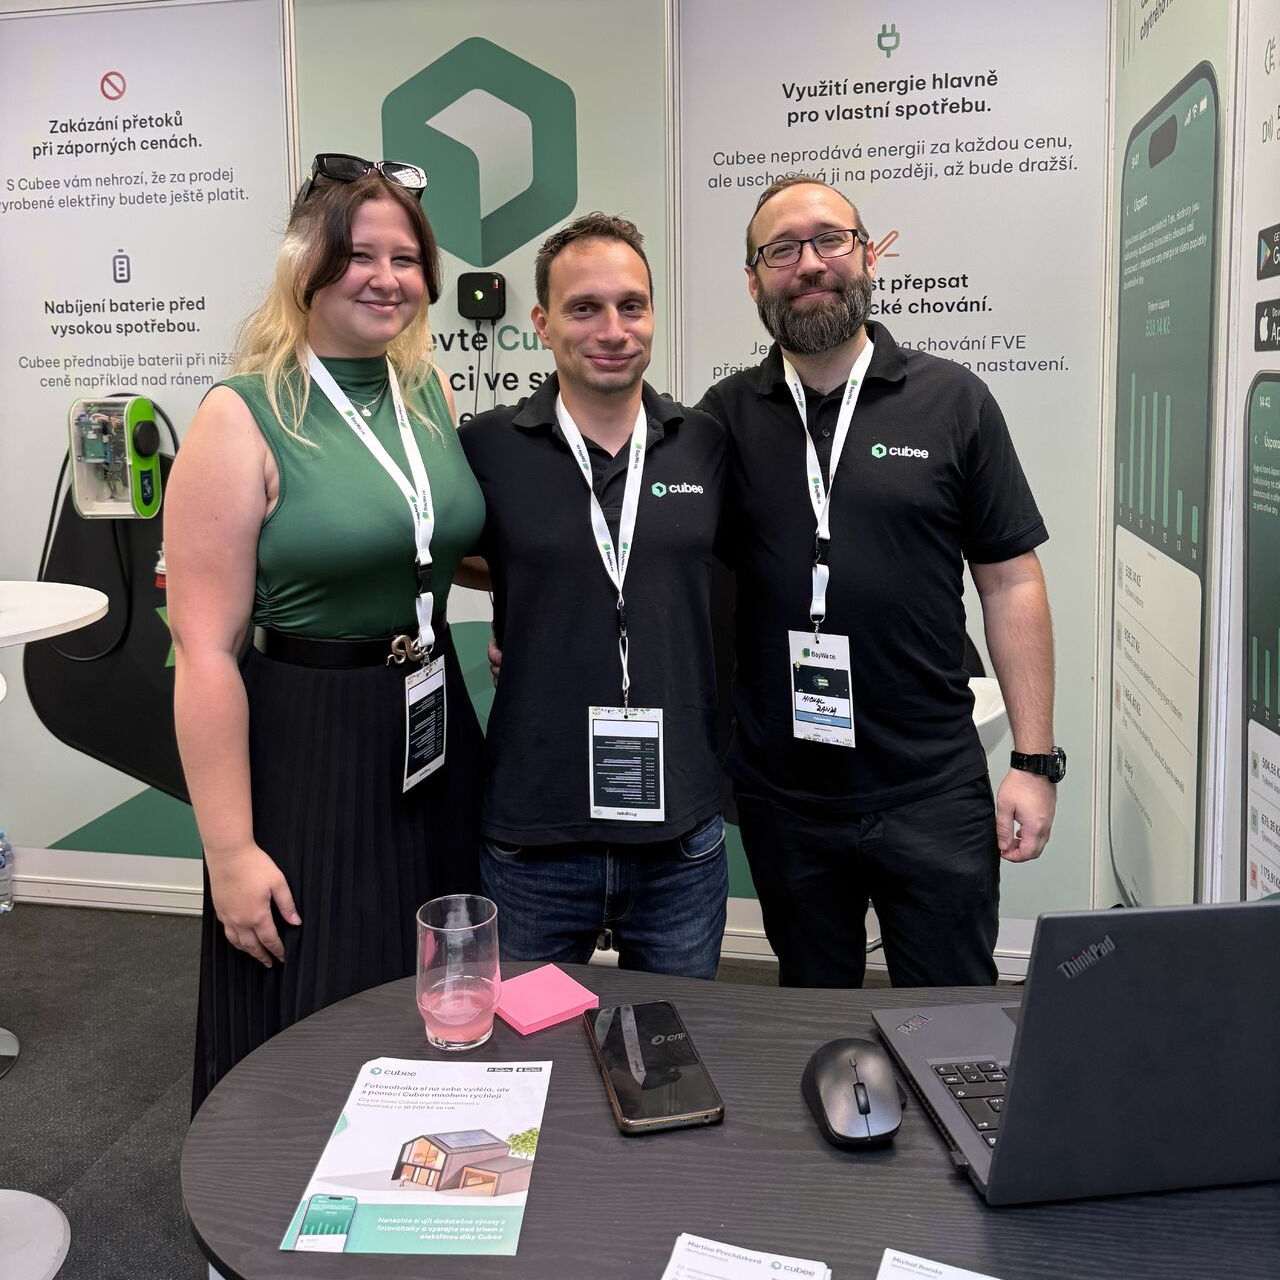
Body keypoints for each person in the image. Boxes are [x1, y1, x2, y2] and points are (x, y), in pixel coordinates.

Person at [167, 155, 485, 1112]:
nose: (386, 278)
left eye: (406, 259)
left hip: (431, 718)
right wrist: (229, 851)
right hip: (310, 737)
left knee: (437, 976)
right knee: (320, 982)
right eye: (359, 256)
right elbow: (205, 652)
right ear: (306, 264)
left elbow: (432, 546)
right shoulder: (241, 414)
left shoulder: (427, 392)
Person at [699, 176, 1063, 988]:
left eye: (830, 239)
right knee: (812, 1017)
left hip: (931, 787)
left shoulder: (954, 402)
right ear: (753, 281)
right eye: (781, 250)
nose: (810, 263)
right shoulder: (723, 418)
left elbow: (1011, 582)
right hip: (785, 797)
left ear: (868, 255)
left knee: (953, 1017)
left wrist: (1034, 762)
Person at [459, 213, 728, 978]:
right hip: (534, 837)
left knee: (673, 1043)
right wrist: (534, 596)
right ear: (542, 323)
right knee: (524, 1044)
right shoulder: (486, 448)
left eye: (630, 306)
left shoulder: (705, 444)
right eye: (584, 308)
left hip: (680, 841)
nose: (613, 330)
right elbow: (442, 555)